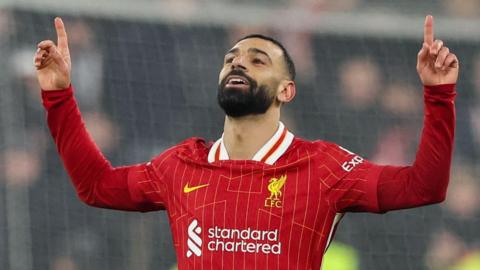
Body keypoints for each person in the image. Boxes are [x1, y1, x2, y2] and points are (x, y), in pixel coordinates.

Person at [34, 15, 458, 269]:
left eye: (258, 60)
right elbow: (96, 186)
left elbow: (424, 187)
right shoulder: (181, 164)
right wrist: (58, 95)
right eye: (231, 59)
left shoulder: (323, 166)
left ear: (286, 91)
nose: (239, 63)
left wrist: (439, 95)